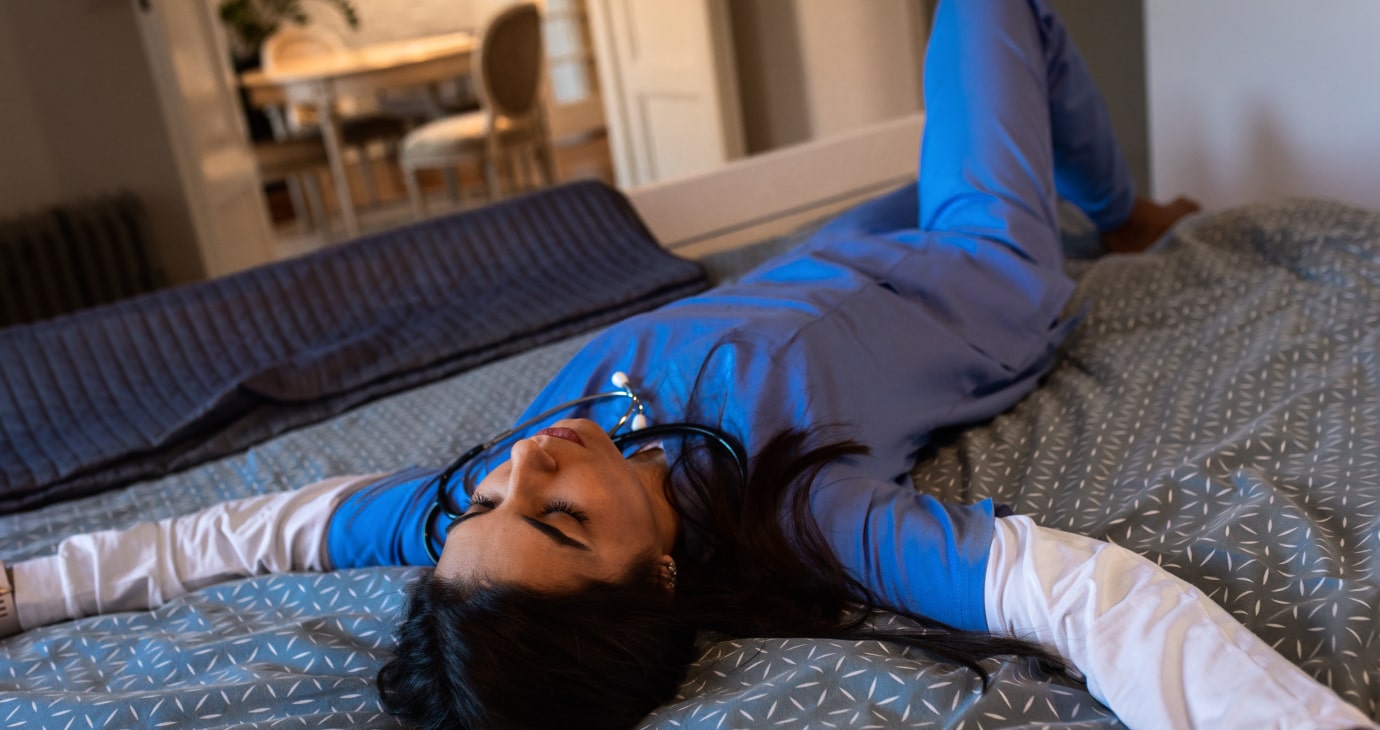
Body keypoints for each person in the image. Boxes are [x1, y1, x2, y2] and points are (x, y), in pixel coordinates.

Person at [0, 1, 1373, 729]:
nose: (519, 468)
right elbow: (1080, 597)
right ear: (657, 576)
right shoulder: (808, 514)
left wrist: (25, 585)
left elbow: (262, 527)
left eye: (487, 509)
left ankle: (1109, 195)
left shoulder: (467, 506)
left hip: (814, 266)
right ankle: (1117, 219)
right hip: (969, 275)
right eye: (556, 517)